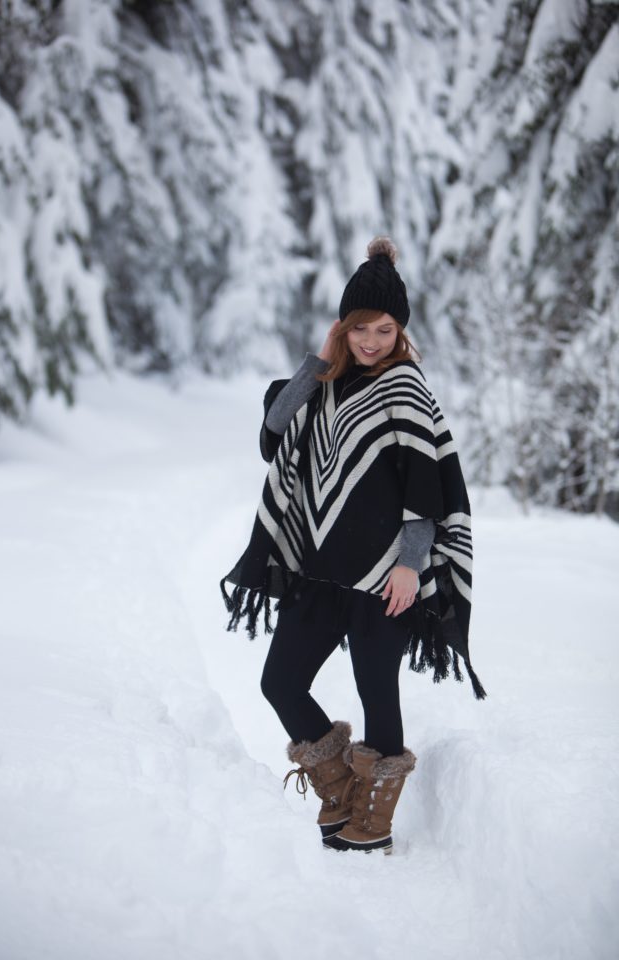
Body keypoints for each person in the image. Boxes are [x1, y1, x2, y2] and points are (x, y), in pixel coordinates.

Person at [220, 237, 485, 855]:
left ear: (401, 332)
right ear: (343, 326)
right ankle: (337, 788)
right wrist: (318, 365)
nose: (371, 341)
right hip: (318, 572)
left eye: (384, 330)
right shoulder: (322, 384)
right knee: (281, 682)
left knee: (376, 690)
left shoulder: (407, 392)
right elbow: (272, 434)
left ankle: (376, 816)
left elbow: (428, 488)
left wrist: (410, 566)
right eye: (360, 327)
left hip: (384, 577)